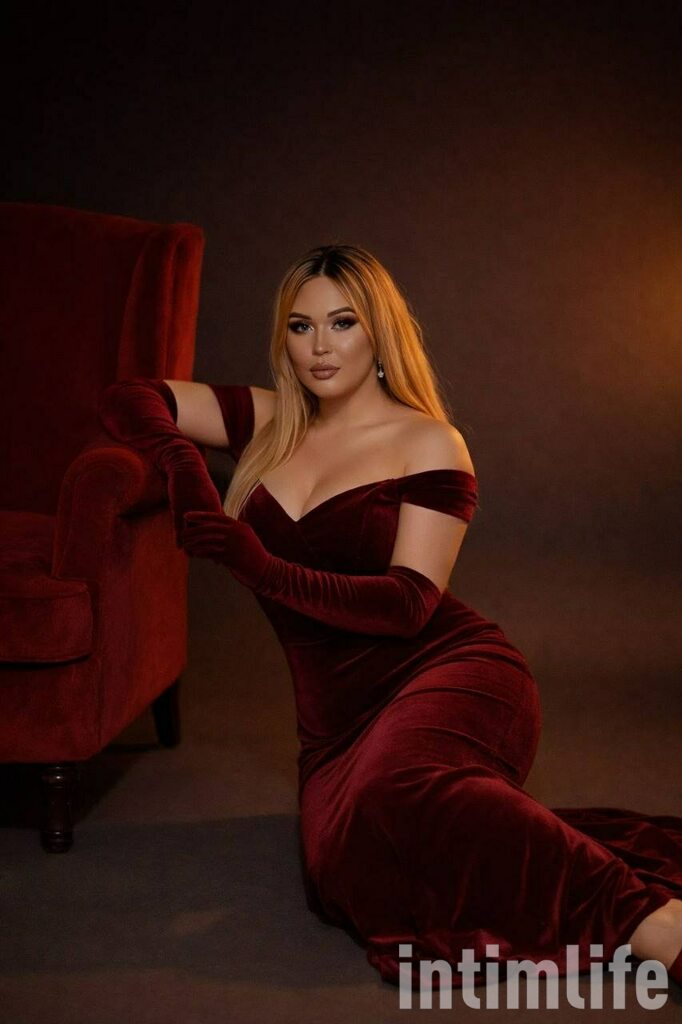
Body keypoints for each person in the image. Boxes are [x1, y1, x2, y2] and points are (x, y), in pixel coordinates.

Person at [97, 243, 682, 992]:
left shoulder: (427, 441)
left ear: (379, 333)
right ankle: (527, 838)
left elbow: (409, 605)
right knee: (338, 871)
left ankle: (651, 922)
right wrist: (185, 469)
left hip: (448, 673)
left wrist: (258, 564)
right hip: (333, 728)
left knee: (400, 793)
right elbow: (131, 398)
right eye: (301, 327)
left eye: (342, 323)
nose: (320, 346)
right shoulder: (267, 421)